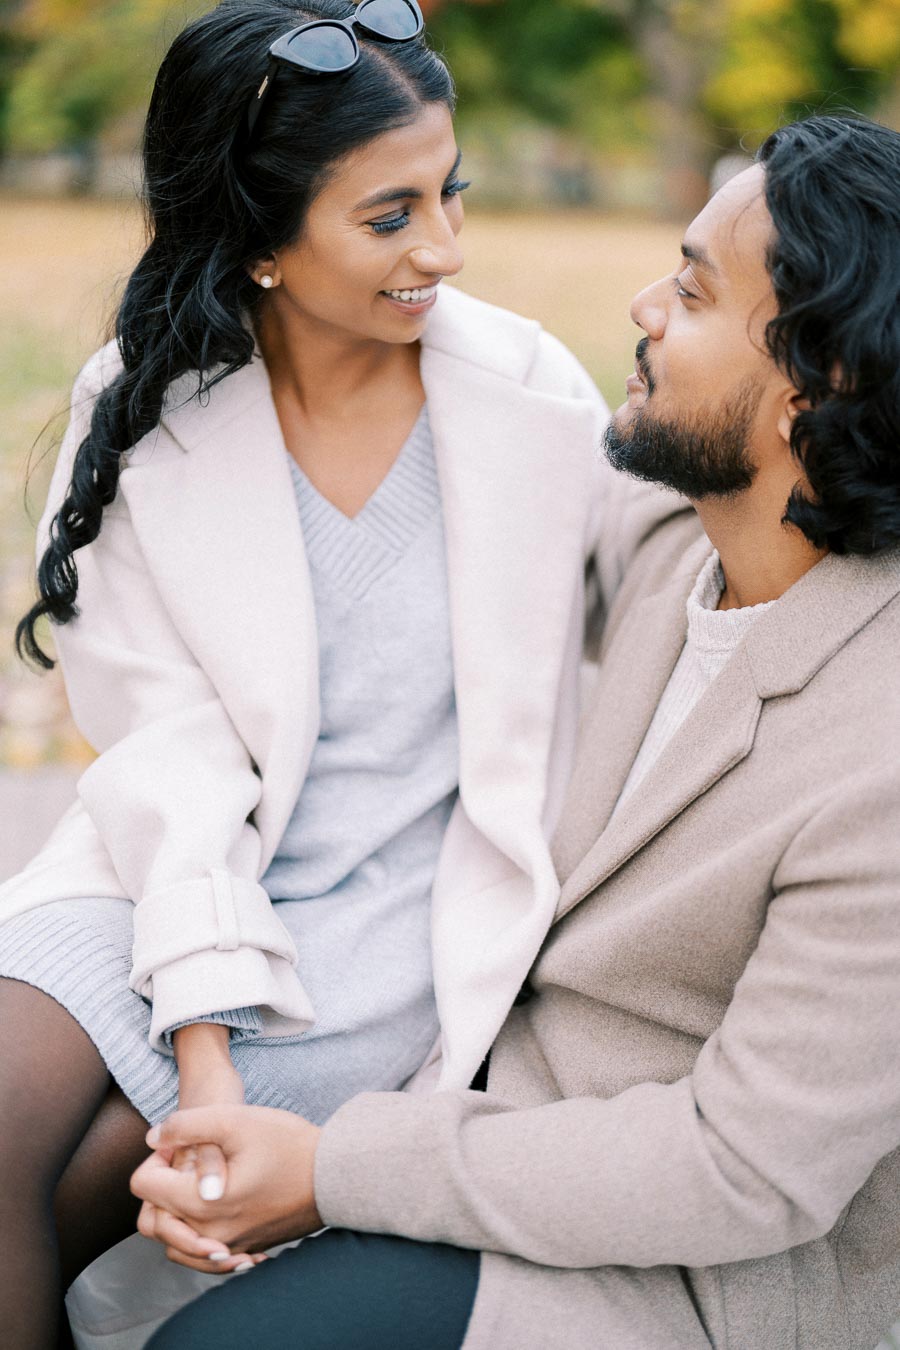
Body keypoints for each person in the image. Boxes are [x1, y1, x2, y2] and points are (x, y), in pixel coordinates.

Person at [131, 113, 900, 1350]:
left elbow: (741, 1169)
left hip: (690, 1281)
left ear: (816, 387)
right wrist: (280, 273)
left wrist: (332, 1169)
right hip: (471, 1091)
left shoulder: (883, 760)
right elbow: (467, 447)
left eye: (694, 295)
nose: (646, 307)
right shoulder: (675, 545)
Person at [0, 2, 668, 1345]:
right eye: (389, 216)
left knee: (84, 1191)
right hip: (164, 882)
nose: (446, 248)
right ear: (254, 238)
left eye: (448, 192)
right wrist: (203, 1051)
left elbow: (672, 615)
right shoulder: (143, 404)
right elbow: (165, 765)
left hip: (388, 931)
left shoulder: (532, 398)